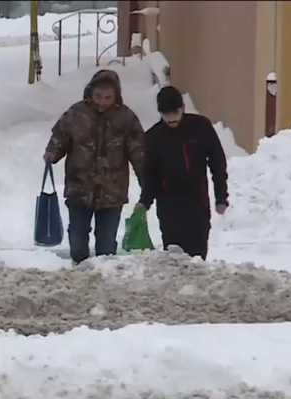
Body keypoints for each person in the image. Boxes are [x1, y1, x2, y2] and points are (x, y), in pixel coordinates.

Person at [43, 69, 147, 265]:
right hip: (79, 188)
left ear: (116, 96)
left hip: (112, 192)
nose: (102, 102)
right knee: (77, 240)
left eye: (108, 97)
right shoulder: (76, 114)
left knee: (106, 247)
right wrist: (52, 152)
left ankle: (103, 280)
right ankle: (80, 273)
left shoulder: (126, 119)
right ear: (90, 92)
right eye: (98, 96)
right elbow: (60, 136)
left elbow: (138, 152)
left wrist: (146, 181)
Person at [136, 86, 229, 260]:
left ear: (183, 108)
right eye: (166, 114)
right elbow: (150, 175)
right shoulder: (153, 137)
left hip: (197, 202)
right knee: (174, 257)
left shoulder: (201, 127)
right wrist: (144, 202)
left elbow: (217, 162)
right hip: (169, 206)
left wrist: (221, 196)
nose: (171, 118)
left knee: (197, 256)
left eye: (175, 113)